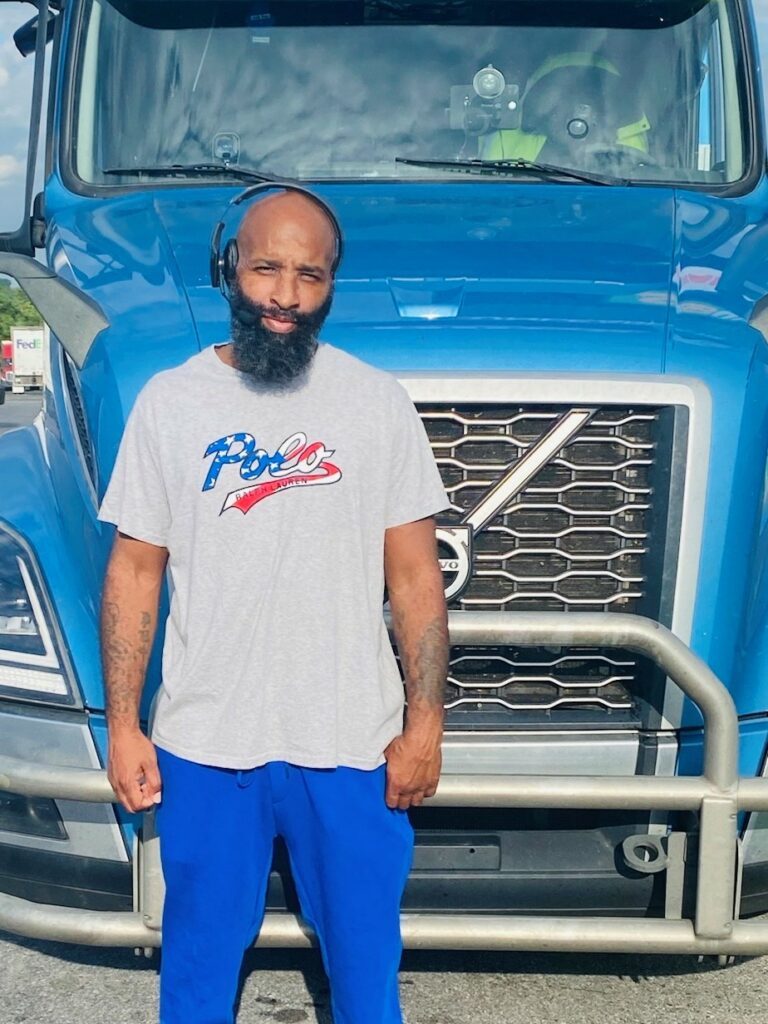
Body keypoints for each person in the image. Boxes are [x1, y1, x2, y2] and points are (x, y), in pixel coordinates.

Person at [97, 186, 450, 1024]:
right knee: (196, 976)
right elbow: (134, 574)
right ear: (228, 270)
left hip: (351, 746)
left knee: (368, 979)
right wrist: (123, 724)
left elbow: (414, 577)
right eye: (265, 269)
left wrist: (426, 721)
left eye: (309, 275)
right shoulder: (171, 404)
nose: (286, 297)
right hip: (207, 745)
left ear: (332, 285)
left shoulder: (375, 403)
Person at [479, 51, 651, 165]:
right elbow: (490, 187)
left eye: (588, 95)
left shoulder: (628, 138)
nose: (576, 110)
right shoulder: (510, 133)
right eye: (564, 96)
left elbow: (640, 189)